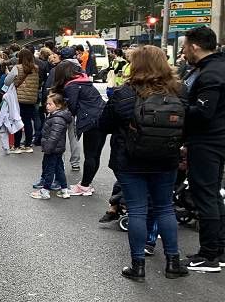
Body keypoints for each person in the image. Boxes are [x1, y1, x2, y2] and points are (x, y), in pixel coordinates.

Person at [98, 45, 189, 280]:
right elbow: (189, 125)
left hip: (130, 160)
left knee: (137, 210)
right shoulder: (179, 91)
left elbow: (104, 125)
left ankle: (138, 266)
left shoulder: (124, 93)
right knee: (164, 207)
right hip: (166, 159)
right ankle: (173, 262)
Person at [180, 25, 225, 271]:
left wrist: (177, 108)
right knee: (213, 194)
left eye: (185, 46)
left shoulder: (210, 74)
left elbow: (204, 112)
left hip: (207, 141)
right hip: (214, 139)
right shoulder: (214, 68)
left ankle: (208, 255)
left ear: (195, 46)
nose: (183, 51)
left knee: (205, 195)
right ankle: (218, 249)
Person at [55, 60, 106, 196]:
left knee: (90, 155)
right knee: (95, 155)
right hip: (103, 119)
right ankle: (87, 184)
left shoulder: (72, 86)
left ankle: (84, 186)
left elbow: (72, 107)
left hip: (91, 122)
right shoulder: (85, 82)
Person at [31, 93, 72, 200]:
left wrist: (47, 149)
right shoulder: (57, 116)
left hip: (53, 149)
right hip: (57, 149)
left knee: (50, 169)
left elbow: (54, 136)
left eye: (50, 104)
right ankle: (64, 189)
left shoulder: (57, 119)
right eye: (47, 104)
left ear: (58, 106)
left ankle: (45, 191)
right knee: (59, 169)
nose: (47, 106)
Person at [10, 48, 40, 153]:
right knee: (27, 122)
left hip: (19, 99)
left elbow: (7, 81)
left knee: (17, 121)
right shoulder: (36, 68)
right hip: (31, 99)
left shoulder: (17, 67)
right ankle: (28, 145)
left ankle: (17, 146)